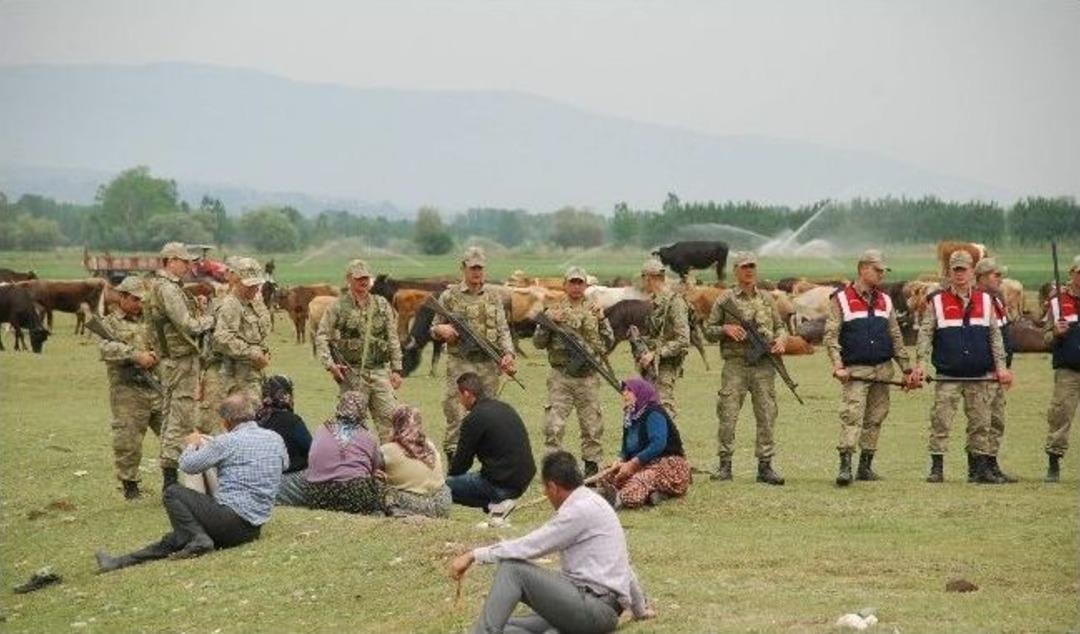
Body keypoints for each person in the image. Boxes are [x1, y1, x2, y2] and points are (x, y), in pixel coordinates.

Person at [450, 451, 654, 634]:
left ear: (553, 487)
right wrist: (639, 609)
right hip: (587, 608)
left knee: (512, 569)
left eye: (545, 490)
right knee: (507, 626)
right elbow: (624, 567)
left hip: (593, 609)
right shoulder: (594, 503)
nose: (546, 495)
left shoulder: (578, 510)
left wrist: (474, 555)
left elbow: (530, 546)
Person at [94, 394, 288, 573]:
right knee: (177, 537)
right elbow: (284, 464)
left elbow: (188, 465)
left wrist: (192, 444)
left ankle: (199, 540)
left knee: (173, 492)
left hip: (230, 520)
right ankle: (119, 562)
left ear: (226, 421)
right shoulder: (275, 438)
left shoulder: (226, 442)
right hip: (252, 529)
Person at [911, 250, 1012, 483]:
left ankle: (976, 470)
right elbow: (925, 334)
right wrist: (920, 364)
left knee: (980, 422)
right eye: (955, 269)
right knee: (941, 420)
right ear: (950, 272)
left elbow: (995, 338)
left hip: (980, 375)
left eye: (963, 269)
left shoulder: (986, 301)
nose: (959, 274)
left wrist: (1002, 367)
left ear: (971, 272)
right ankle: (937, 469)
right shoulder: (936, 301)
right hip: (948, 374)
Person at [823, 249, 912, 486]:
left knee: (876, 417)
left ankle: (865, 466)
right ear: (863, 269)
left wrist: (907, 370)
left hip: (883, 369)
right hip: (856, 370)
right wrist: (838, 365)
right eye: (877, 270)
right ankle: (845, 467)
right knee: (852, 416)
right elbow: (831, 335)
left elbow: (895, 335)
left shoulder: (885, 300)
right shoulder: (840, 299)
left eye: (883, 270)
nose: (882, 274)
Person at [702, 251, 788, 485]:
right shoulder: (725, 299)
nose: (749, 270)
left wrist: (781, 340)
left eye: (752, 266)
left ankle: (765, 466)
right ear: (735, 270)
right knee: (728, 414)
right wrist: (725, 330)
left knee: (767, 414)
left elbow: (781, 327)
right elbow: (708, 330)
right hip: (736, 366)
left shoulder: (767, 299)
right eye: (744, 267)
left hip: (763, 367)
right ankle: (725, 466)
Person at [430, 246, 516, 457]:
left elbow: (503, 328)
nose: (477, 272)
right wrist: (442, 330)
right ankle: (455, 466)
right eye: (472, 268)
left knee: (489, 416)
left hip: (488, 365)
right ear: (463, 268)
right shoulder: (449, 297)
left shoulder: (494, 297)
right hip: (460, 363)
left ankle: (489, 466)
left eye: (480, 268)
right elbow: (433, 328)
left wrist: (508, 354)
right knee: (457, 414)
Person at [142, 241, 215, 489]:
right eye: (185, 261)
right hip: (179, 361)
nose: (188, 266)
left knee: (173, 415)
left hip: (175, 361)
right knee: (180, 417)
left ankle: (170, 476)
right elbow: (187, 324)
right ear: (170, 260)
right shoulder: (168, 288)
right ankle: (170, 482)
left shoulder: (166, 287)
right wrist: (210, 319)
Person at [534, 266, 615, 478]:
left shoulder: (595, 310)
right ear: (565, 284)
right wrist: (548, 323)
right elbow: (538, 343)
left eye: (580, 282)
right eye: (573, 282)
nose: (577, 287)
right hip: (561, 377)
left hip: (588, 378)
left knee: (592, 427)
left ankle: (592, 469)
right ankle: (552, 471)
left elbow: (608, 343)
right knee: (553, 426)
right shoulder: (553, 309)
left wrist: (603, 319)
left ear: (586, 285)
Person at [315, 259, 403, 440]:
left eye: (366, 278)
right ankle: (352, 465)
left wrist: (397, 369)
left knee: (390, 423)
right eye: (358, 278)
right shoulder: (338, 306)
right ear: (349, 279)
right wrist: (330, 365)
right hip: (353, 374)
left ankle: (389, 464)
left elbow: (392, 337)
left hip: (379, 372)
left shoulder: (381, 304)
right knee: (351, 426)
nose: (363, 282)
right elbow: (322, 336)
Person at [94, 275, 163, 500]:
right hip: (127, 391)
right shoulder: (109, 323)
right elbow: (105, 350)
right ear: (122, 297)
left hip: (156, 387)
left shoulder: (151, 320)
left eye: (143, 300)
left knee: (171, 436)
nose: (139, 304)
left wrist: (154, 356)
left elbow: (166, 343)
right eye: (135, 299)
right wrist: (135, 356)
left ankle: (171, 481)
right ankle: (130, 486)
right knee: (129, 441)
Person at [446, 372, 536, 517]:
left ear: (467, 394)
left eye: (459, 395)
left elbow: (462, 463)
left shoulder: (473, 419)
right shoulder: (504, 407)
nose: (459, 400)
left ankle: (497, 502)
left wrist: (450, 480)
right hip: (523, 480)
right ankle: (496, 505)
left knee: (443, 488)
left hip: (501, 484)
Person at [200, 258, 272, 435]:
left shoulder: (255, 303)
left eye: (256, 285)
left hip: (249, 375)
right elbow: (222, 338)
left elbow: (260, 334)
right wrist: (253, 353)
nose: (254, 289)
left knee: (250, 427)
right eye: (249, 285)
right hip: (226, 376)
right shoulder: (230, 305)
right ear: (236, 281)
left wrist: (263, 352)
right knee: (218, 431)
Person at [600, 378, 691, 509]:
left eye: (629, 390)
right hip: (643, 463)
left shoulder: (654, 413)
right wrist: (620, 459)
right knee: (607, 474)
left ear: (640, 392)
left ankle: (620, 499)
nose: (624, 394)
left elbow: (658, 444)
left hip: (667, 464)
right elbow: (626, 446)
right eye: (624, 390)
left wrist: (633, 463)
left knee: (641, 479)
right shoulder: (630, 415)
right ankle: (653, 494)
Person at [298, 390, 386, 514]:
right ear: (362, 411)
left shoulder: (322, 429)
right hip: (354, 496)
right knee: (381, 485)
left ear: (340, 407)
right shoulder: (367, 436)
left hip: (317, 496)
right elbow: (378, 466)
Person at [973, 257, 1018, 483]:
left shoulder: (997, 300)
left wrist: (1006, 367)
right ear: (981, 277)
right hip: (987, 372)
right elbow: (981, 339)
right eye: (995, 275)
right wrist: (994, 367)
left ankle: (992, 463)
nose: (1000, 279)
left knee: (997, 420)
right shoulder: (977, 302)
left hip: (1001, 371)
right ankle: (980, 468)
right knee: (984, 421)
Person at [633, 257, 690, 418]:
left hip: (665, 366)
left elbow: (683, 339)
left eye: (643, 278)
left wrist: (656, 354)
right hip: (648, 365)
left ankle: (670, 443)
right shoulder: (652, 301)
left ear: (648, 278)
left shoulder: (674, 302)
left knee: (664, 410)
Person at [1044, 254, 1080, 482]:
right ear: (1072, 273)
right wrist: (1056, 332)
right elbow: (1045, 338)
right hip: (1068, 369)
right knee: (1060, 416)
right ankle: (1053, 464)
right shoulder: (1057, 302)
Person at [379, 405, 452, 518]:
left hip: (416, 506)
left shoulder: (388, 450)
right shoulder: (429, 445)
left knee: (378, 484)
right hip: (443, 503)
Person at [255, 375, 313, 505]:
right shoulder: (293, 421)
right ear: (286, 395)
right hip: (289, 479)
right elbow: (312, 450)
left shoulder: (256, 419)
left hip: (260, 479)